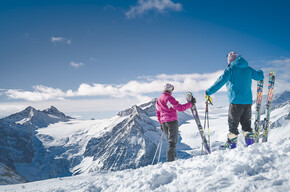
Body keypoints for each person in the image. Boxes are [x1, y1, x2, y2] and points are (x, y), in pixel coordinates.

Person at [204, 51, 264, 149]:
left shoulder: (230, 70)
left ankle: (232, 146)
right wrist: (261, 72)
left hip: (235, 102)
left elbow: (219, 82)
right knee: (246, 125)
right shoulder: (248, 69)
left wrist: (208, 92)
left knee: (233, 125)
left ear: (230, 60)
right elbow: (259, 76)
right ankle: (250, 145)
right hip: (248, 102)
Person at [156, 83, 195, 161]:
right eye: (172, 89)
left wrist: (161, 123)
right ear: (170, 90)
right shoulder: (169, 98)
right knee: (172, 142)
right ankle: (171, 161)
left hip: (164, 123)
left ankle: (173, 159)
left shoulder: (159, 99)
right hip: (171, 121)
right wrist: (190, 104)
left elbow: (158, 113)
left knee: (170, 142)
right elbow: (179, 108)